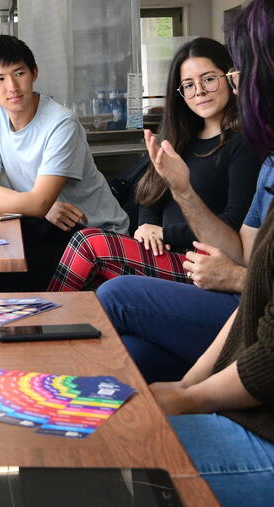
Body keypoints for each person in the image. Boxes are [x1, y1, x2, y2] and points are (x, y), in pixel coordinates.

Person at [146, 1, 274, 503]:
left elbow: (267, 354)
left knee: (111, 441)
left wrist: (187, 397)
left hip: (262, 428)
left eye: (238, 75)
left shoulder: (245, 150)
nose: (235, 90)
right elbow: (256, 299)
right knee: (132, 363)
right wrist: (184, 388)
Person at [47, 38, 259, 292]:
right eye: (188, 85)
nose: (199, 91)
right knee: (94, 279)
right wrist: (147, 229)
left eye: (209, 79)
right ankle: (60, 325)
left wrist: (166, 233)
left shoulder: (244, 144)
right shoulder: (181, 138)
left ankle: (50, 322)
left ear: (230, 78)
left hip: (200, 265)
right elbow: (150, 195)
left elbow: (233, 223)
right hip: (161, 251)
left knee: (90, 244)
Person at [0, 35, 128, 291]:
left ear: (34, 73)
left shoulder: (61, 123)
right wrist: (39, 205)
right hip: (46, 223)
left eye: (19, 73)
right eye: (0, 78)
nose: (12, 86)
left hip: (93, 236)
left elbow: (36, 202)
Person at [99, 154, 272, 383]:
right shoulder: (269, 164)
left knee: (115, 294)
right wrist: (183, 191)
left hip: (253, 308)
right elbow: (244, 254)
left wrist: (235, 277)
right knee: (132, 353)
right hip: (243, 300)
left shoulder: (244, 151)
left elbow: (241, 268)